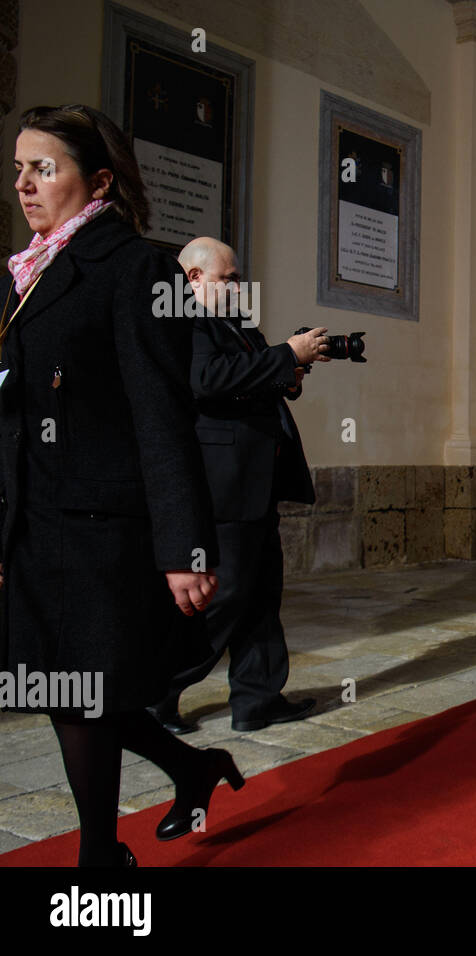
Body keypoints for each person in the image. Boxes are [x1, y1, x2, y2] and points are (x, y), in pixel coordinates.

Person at [0, 105, 240, 866]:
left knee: (80, 692)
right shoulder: (23, 275)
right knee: (66, 689)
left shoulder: (136, 268)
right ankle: (194, 768)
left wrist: (185, 546)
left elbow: (161, 415)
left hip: (103, 525)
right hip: (33, 519)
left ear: (97, 180)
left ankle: (101, 861)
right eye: (18, 169)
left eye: (45, 168)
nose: (24, 185)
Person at [147, 237, 320, 735]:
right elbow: (205, 380)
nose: (238, 285)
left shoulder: (238, 326)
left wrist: (290, 370)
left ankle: (258, 698)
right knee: (223, 596)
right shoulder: (181, 321)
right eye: (229, 277)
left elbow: (247, 378)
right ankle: (158, 691)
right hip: (221, 485)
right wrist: (285, 353)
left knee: (262, 593)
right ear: (194, 278)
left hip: (257, 480)